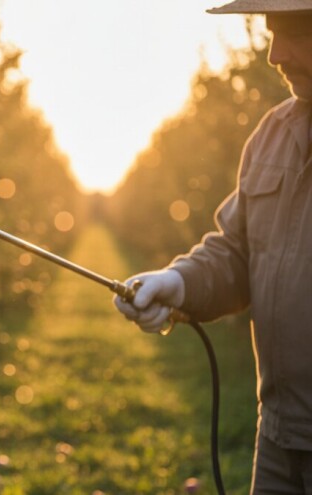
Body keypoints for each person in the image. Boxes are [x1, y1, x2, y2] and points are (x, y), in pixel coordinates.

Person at [113, 1, 312, 492]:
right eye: (270, 32)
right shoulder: (273, 135)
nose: (274, 54)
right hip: (280, 437)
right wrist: (177, 282)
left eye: (295, 32)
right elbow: (240, 252)